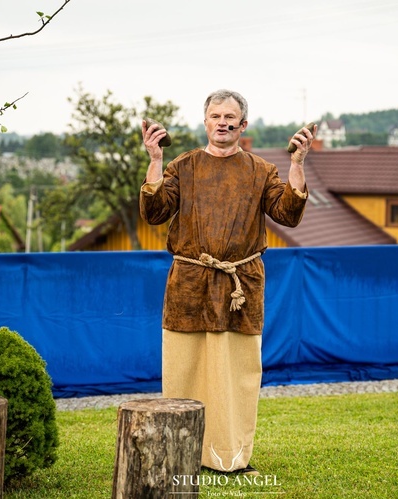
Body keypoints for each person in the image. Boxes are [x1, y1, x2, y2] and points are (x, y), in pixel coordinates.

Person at [139, 89, 314, 475]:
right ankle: (181, 456)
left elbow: (287, 213)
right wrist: (155, 160)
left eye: (229, 116)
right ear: (206, 123)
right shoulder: (183, 167)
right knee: (185, 371)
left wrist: (297, 164)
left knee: (236, 377)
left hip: (240, 288)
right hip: (188, 284)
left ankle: (231, 457)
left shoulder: (260, 171)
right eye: (215, 116)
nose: (222, 122)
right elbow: (155, 211)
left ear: (242, 124)